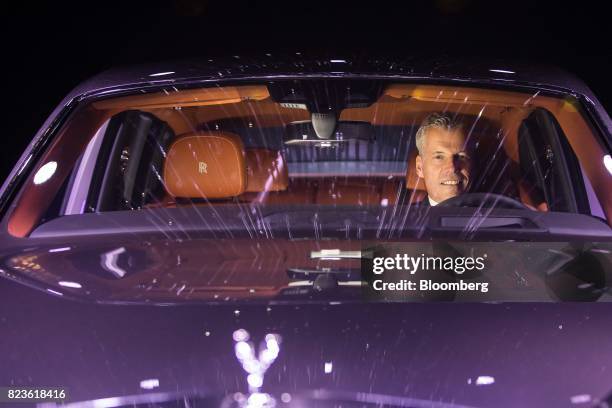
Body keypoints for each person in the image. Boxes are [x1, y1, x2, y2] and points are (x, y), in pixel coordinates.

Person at [414, 113, 473, 206]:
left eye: (461, 156)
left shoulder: (496, 216)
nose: (452, 167)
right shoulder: (402, 219)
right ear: (419, 167)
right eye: (439, 157)